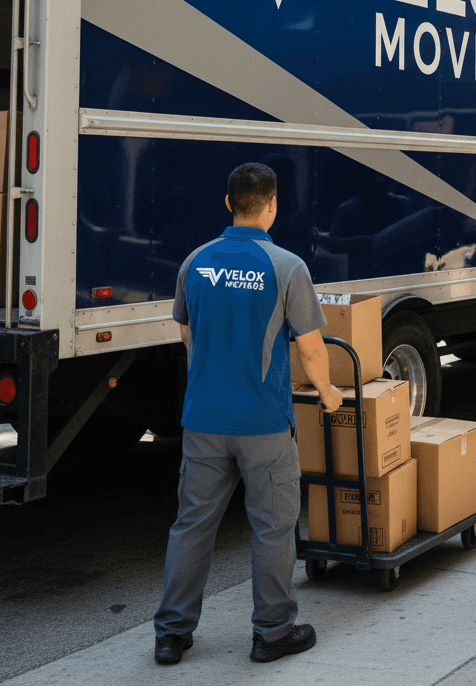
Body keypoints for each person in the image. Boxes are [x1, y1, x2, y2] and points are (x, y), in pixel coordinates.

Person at [153, 163, 343, 666]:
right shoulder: (287, 267)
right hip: (263, 423)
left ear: (228, 203)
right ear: (272, 205)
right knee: (273, 527)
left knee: (192, 525)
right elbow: (311, 349)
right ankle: (273, 632)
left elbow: (187, 334)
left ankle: (171, 634)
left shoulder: (195, 262)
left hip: (203, 420)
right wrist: (328, 393)